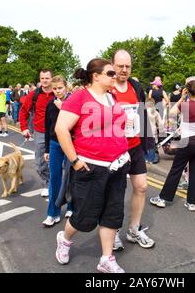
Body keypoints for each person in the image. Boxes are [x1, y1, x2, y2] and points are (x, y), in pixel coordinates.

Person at [54, 58, 130, 273]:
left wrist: (125, 152)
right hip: (91, 167)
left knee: (112, 214)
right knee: (85, 217)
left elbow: (117, 127)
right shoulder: (79, 97)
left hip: (117, 165)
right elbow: (61, 129)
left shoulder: (112, 98)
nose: (116, 77)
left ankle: (107, 258)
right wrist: (75, 160)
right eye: (111, 73)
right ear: (96, 76)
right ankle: (65, 239)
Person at [110, 49, 156, 251]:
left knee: (142, 187)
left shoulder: (136, 86)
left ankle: (134, 229)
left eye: (127, 66)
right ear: (112, 66)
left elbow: (142, 113)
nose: (124, 70)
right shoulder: (107, 88)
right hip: (114, 149)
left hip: (134, 146)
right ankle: (112, 233)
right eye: (120, 66)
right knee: (115, 193)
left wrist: (149, 142)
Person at [150, 78, 195, 212]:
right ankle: (191, 203)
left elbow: (171, 113)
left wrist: (182, 98)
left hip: (186, 141)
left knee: (176, 170)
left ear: (187, 91)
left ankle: (164, 198)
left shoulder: (185, 105)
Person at [19, 70, 55, 198]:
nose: (44, 81)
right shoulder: (34, 95)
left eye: (47, 78)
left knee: (60, 163)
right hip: (40, 132)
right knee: (40, 164)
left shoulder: (58, 93)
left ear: (52, 79)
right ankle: (47, 184)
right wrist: (24, 128)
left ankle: (57, 185)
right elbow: (23, 111)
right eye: (42, 78)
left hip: (58, 133)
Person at [42, 75, 72, 227]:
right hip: (55, 143)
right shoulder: (50, 104)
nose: (57, 91)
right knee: (55, 177)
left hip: (71, 143)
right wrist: (47, 149)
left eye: (60, 88)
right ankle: (53, 213)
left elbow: (77, 125)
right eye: (54, 89)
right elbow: (47, 128)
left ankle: (72, 207)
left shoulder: (72, 102)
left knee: (70, 176)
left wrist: (64, 108)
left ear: (66, 87)